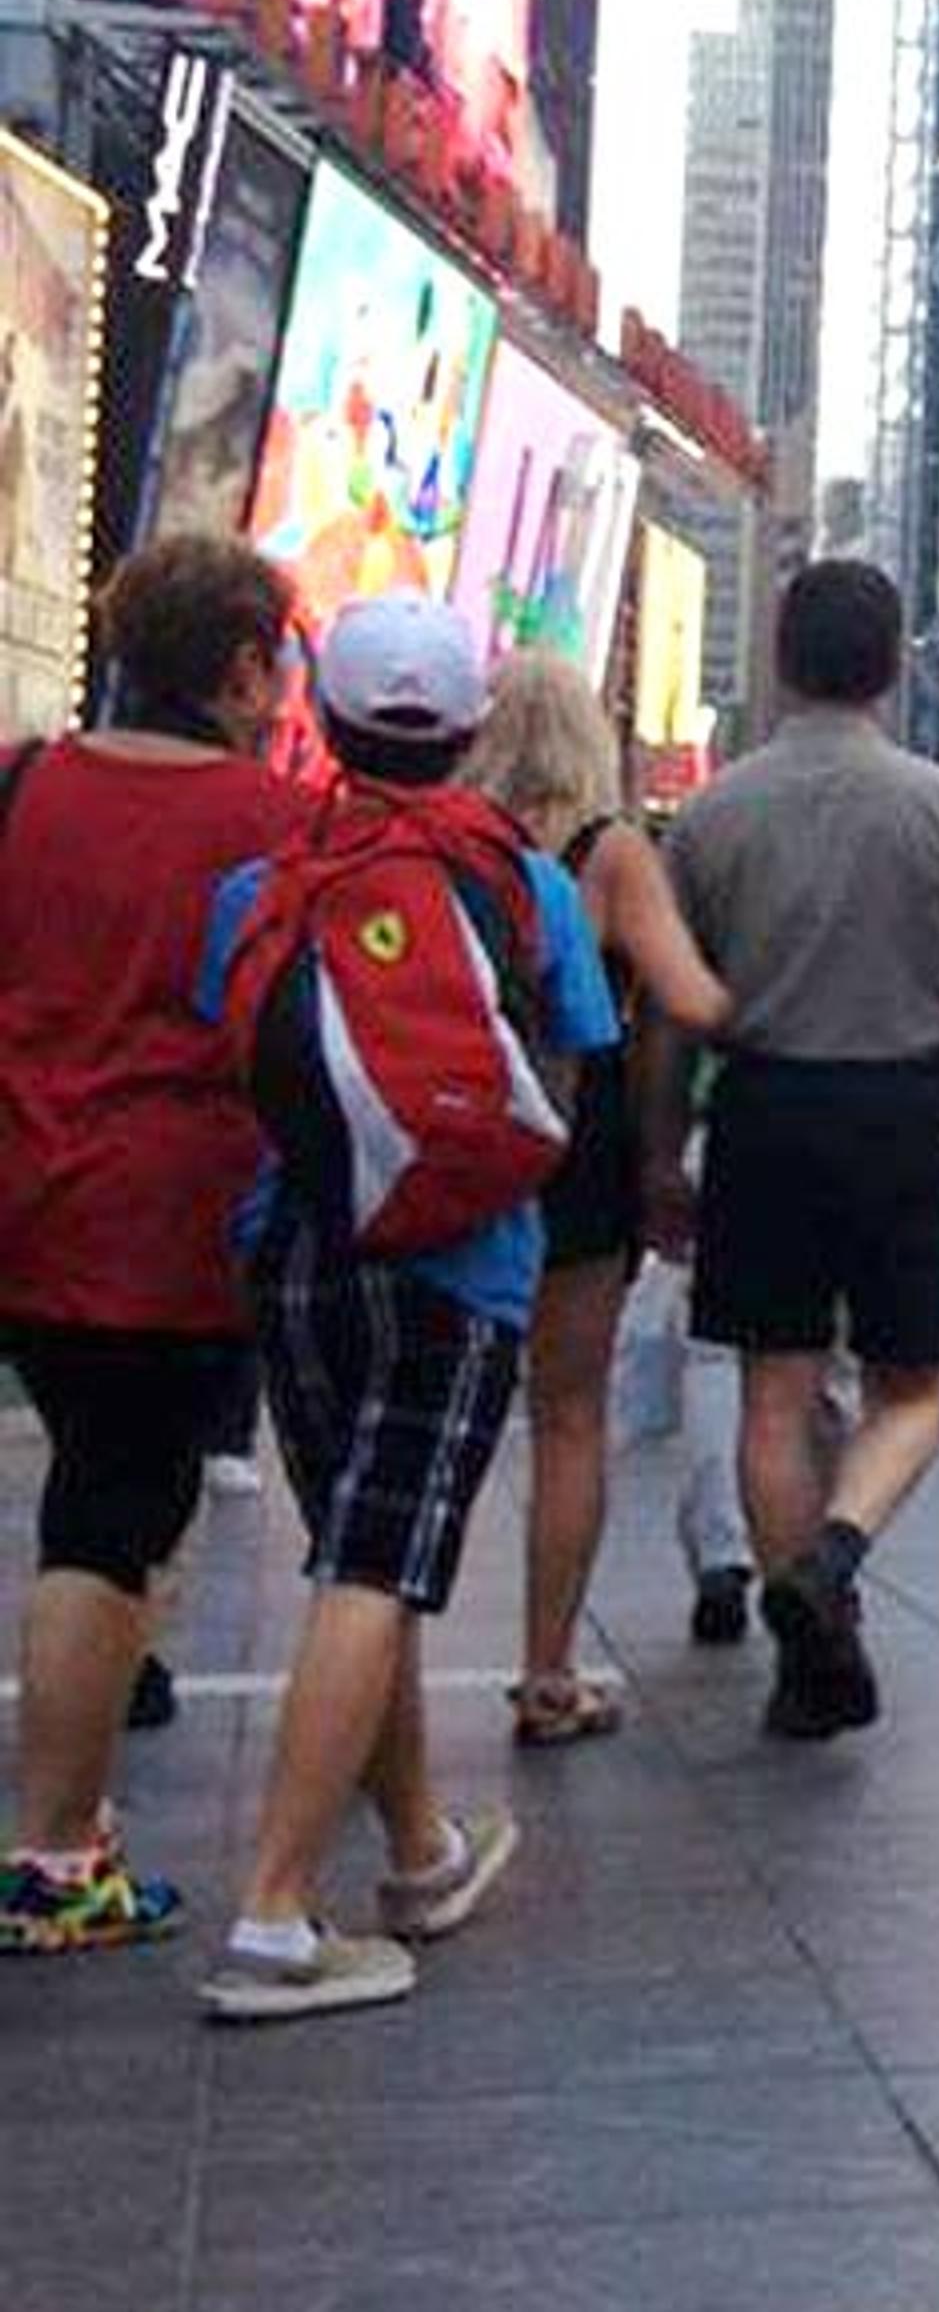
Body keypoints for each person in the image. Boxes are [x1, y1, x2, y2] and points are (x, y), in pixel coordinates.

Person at [195, 594, 618, 2019]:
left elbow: (228, 1052)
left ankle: (424, 1850)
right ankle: (271, 1916)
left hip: (296, 1253)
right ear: (469, 734)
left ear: (324, 714)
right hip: (463, 1267)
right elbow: (576, 1063)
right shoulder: (529, 887)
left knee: (356, 1560)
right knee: (375, 1571)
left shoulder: (260, 887)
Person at [648, 560, 939, 1743]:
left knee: (774, 1388)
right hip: (903, 1114)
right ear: (891, 663)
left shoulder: (714, 814)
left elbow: (670, 1015)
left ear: (779, 653)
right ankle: (834, 1554)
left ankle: (804, 1647)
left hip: (763, 1110)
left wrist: (661, 1154)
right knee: (910, 1386)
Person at [0, 538, 312, 1957]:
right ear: (241, 665)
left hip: (27, 1189)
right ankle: (58, 1855)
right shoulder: (274, 819)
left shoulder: (23, 786)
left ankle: (83, 1819)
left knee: (110, 1492)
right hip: (171, 1214)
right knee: (108, 1514)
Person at [459, 648, 731, 1745]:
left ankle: (374, 1648)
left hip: (443, 1132)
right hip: (573, 1144)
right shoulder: (608, 853)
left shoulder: (437, 834)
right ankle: (547, 1671)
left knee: (438, 1410)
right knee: (568, 1412)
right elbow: (692, 997)